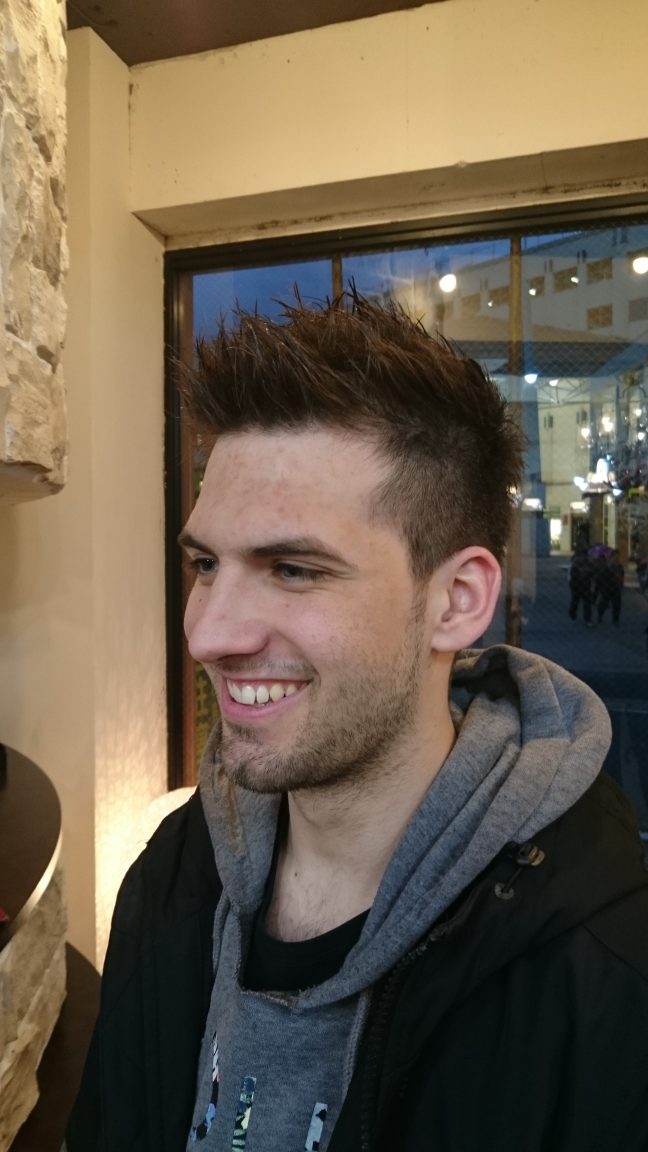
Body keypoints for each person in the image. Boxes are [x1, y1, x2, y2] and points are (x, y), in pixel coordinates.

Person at [65, 293, 648, 1152]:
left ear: (457, 601)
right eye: (206, 564)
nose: (209, 634)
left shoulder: (605, 977)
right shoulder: (176, 872)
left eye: (294, 569)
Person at [596, 548, 625, 625]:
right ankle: (599, 616)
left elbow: (622, 577)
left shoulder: (620, 567)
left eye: (618, 557)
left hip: (616, 588)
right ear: (612, 557)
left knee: (617, 605)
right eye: (615, 557)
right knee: (603, 604)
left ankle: (615, 620)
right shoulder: (607, 566)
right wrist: (601, 588)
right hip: (607, 588)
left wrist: (621, 584)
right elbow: (600, 577)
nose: (617, 559)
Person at [567, 544, 593, 625]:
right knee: (575, 600)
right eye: (583, 555)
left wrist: (587, 572)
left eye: (586, 555)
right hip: (576, 585)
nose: (584, 557)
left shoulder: (589, 563)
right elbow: (572, 574)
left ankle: (588, 619)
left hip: (586, 585)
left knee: (587, 603)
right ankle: (572, 612)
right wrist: (581, 572)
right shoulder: (575, 563)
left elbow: (592, 573)